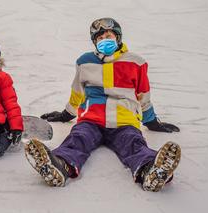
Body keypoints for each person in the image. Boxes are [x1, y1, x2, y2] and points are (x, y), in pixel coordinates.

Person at [24, 18, 181, 192]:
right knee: (78, 139)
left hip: (123, 121)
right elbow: (77, 92)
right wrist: (67, 114)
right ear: (94, 42)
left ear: (118, 37)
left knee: (133, 143)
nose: (104, 40)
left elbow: (143, 94)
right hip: (92, 120)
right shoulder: (85, 62)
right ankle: (60, 165)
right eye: (99, 38)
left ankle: (151, 170)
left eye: (108, 35)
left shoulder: (136, 62)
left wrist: (151, 121)